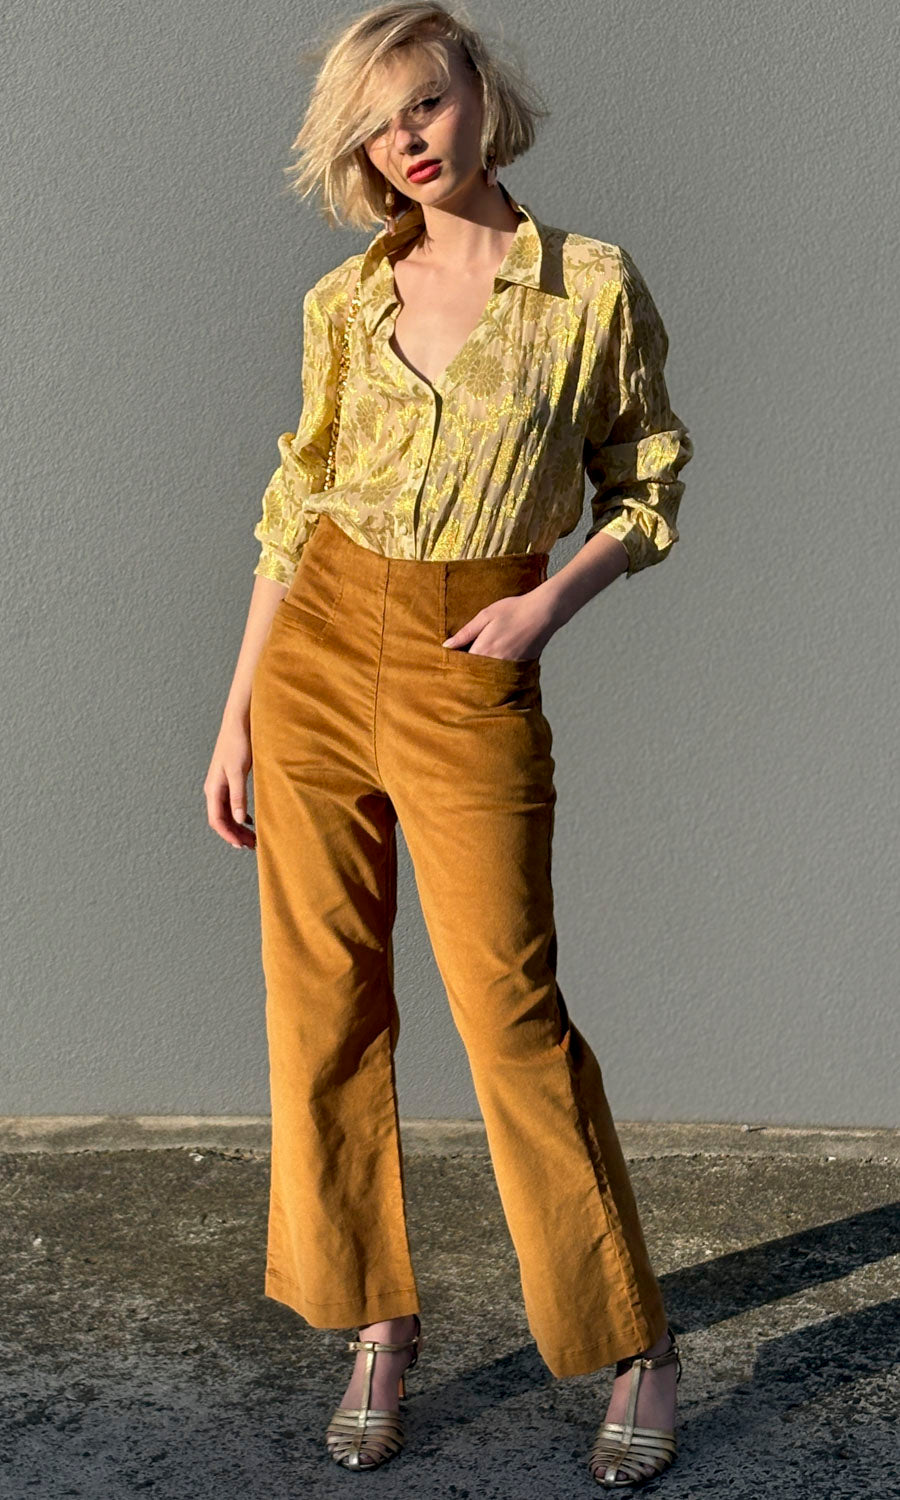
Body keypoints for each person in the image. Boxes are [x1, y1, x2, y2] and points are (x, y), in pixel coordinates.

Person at [204, 0, 693, 1484]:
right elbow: (295, 506)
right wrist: (236, 711)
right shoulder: (345, 300)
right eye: (376, 125)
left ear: (481, 91)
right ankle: (377, 1322)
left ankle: (636, 1344)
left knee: (508, 1014)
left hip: (470, 652)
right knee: (321, 1009)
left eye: (423, 101)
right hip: (314, 654)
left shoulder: (587, 286)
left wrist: (543, 605)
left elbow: (648, 482)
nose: (405, 141)